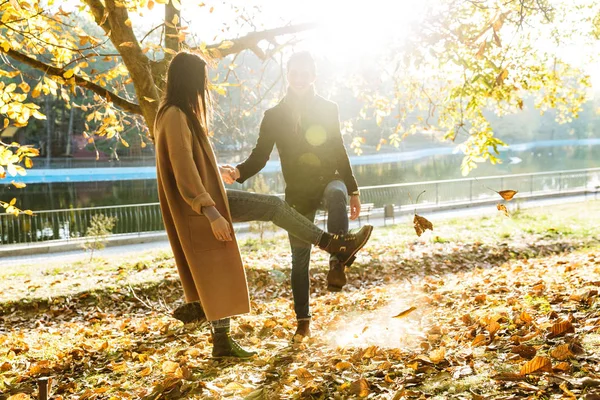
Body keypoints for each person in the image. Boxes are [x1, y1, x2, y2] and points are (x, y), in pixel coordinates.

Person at [154, 51, 373, 358]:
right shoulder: (176, 115)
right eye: (203, 79)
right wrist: (211, 209)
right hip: (204, 205)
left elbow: (190, 163)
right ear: (190, 79)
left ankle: (220, 341)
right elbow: (184, 170)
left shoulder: (174, 113)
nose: (206, 86)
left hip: (202, 202)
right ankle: (333, 244)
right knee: (272, 208)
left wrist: (224, 172)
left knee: (215, 266)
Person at [225, 51, 363, 339]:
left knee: (336, 194)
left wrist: (353, 189)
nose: (299, 78)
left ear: (313, 76)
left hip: (330, 179)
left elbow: (339, 148)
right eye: (294, 73)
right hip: (298, 193)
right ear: (288, 75)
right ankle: (303, 321)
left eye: (304, 73)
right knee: (299, 260)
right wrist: (237, 173)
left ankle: (337, 262)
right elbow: (260, 156)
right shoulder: (273, 115)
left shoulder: (328, 108)